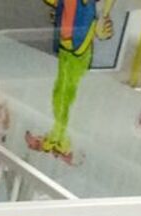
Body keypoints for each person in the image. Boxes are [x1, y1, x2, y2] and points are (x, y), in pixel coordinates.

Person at [36, 0, 115, 160]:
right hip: (65, 45)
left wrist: (102, 19)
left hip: (80, 47)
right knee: (60, 92)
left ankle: (64, 138)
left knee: (71, 94)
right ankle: (57, 135)